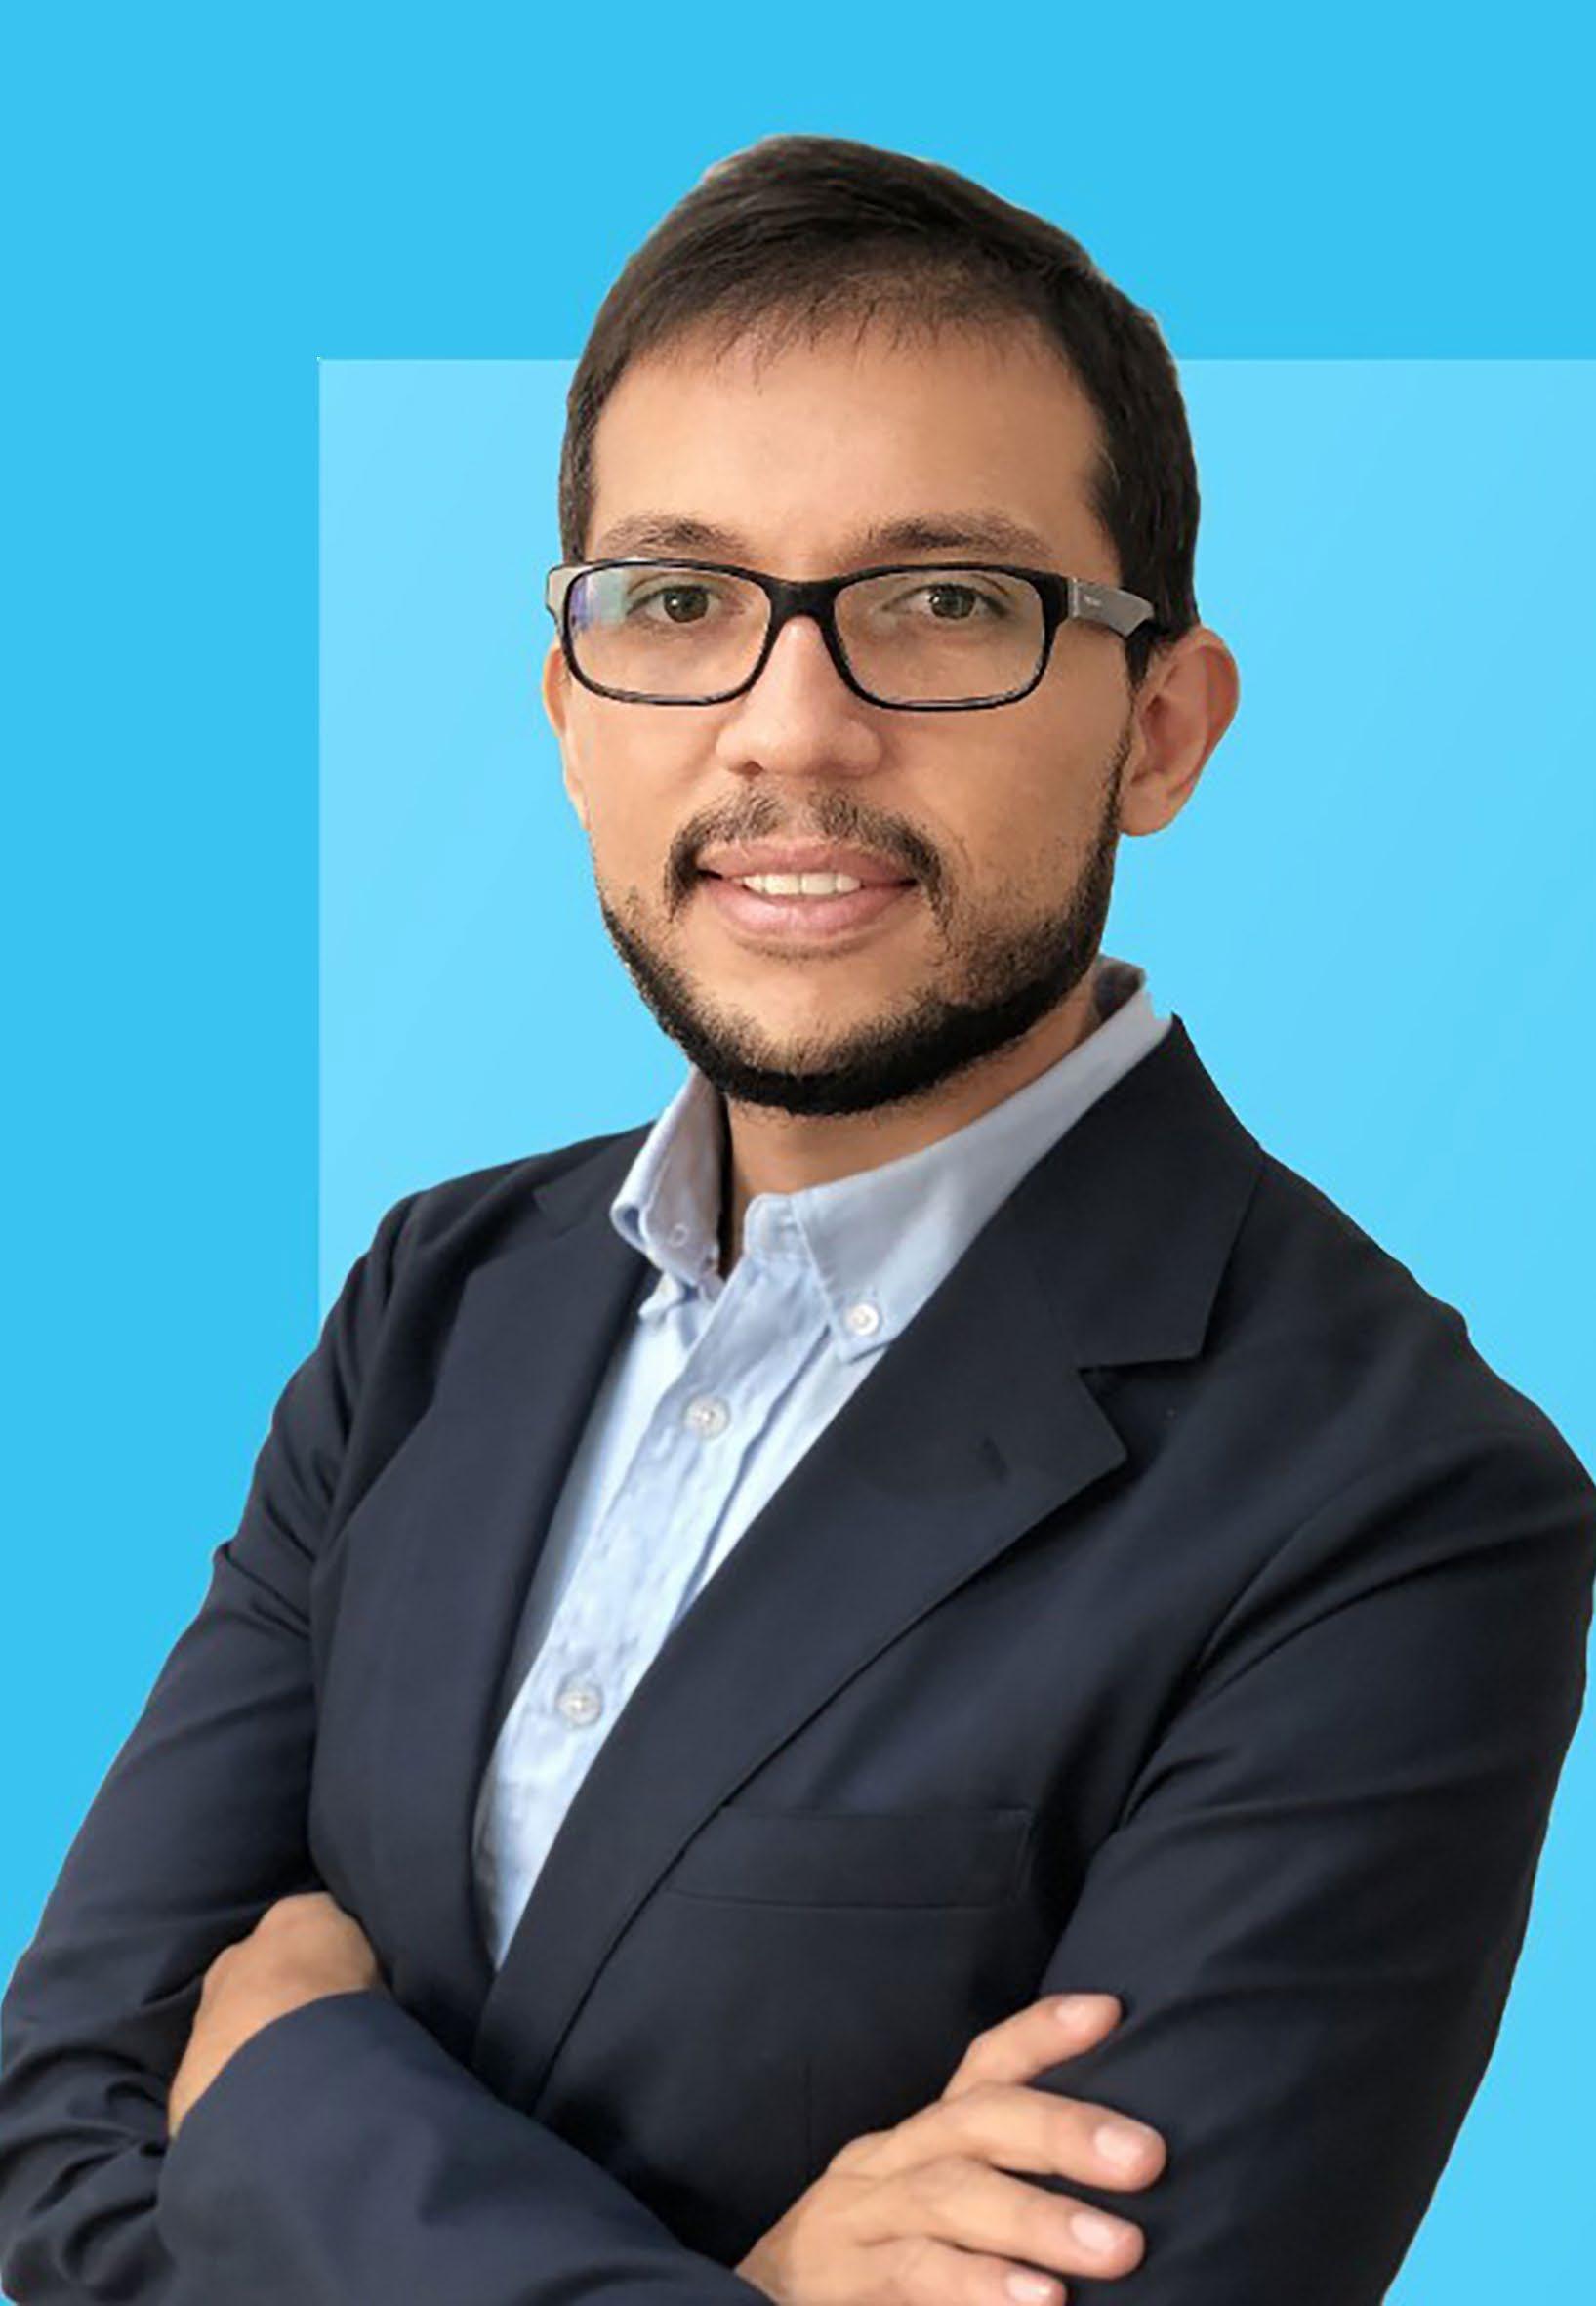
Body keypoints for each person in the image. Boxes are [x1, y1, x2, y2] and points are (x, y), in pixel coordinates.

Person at [1, 131, 1591, 2306]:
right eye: (678, 603)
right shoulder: (431, 1302)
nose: (792, 729)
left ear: (1158, 728)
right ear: (571, 713)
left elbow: (184, 2117)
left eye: (944, 604)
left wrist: (283, 2086)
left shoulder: (1398, 1505)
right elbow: (59, 2142)